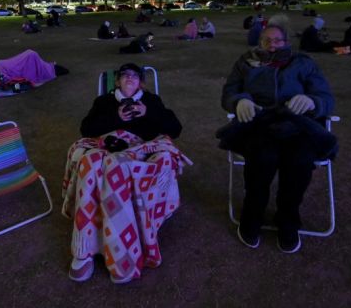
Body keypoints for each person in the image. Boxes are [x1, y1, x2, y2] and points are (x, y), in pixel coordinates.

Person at [62, 63, 191, 284]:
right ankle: (83, 250)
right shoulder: (103, 102)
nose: (129, 79)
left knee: (116, 168)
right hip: (106, 147)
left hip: (140, 152)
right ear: (117, 82)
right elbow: (87, 129)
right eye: (124, 76)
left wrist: (148, 112)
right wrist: (116, 117)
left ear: (140, 82)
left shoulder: (151, 101)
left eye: (134, 76)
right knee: (89, 162)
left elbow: (175, 129)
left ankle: (122, 255)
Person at [218, 23, 336, 253]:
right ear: (259, 42)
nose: (272, 45)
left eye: (277, 40)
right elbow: (228, 93)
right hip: (260, 122)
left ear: (286, 42)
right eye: (266, 40)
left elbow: (325, 96)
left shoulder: (303, 63)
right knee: (262, 159)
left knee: (300, 161)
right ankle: (252, 216)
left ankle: (288, 219)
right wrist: (239, 100)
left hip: (298, 124)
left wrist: (313, 101)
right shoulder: (245, 62)